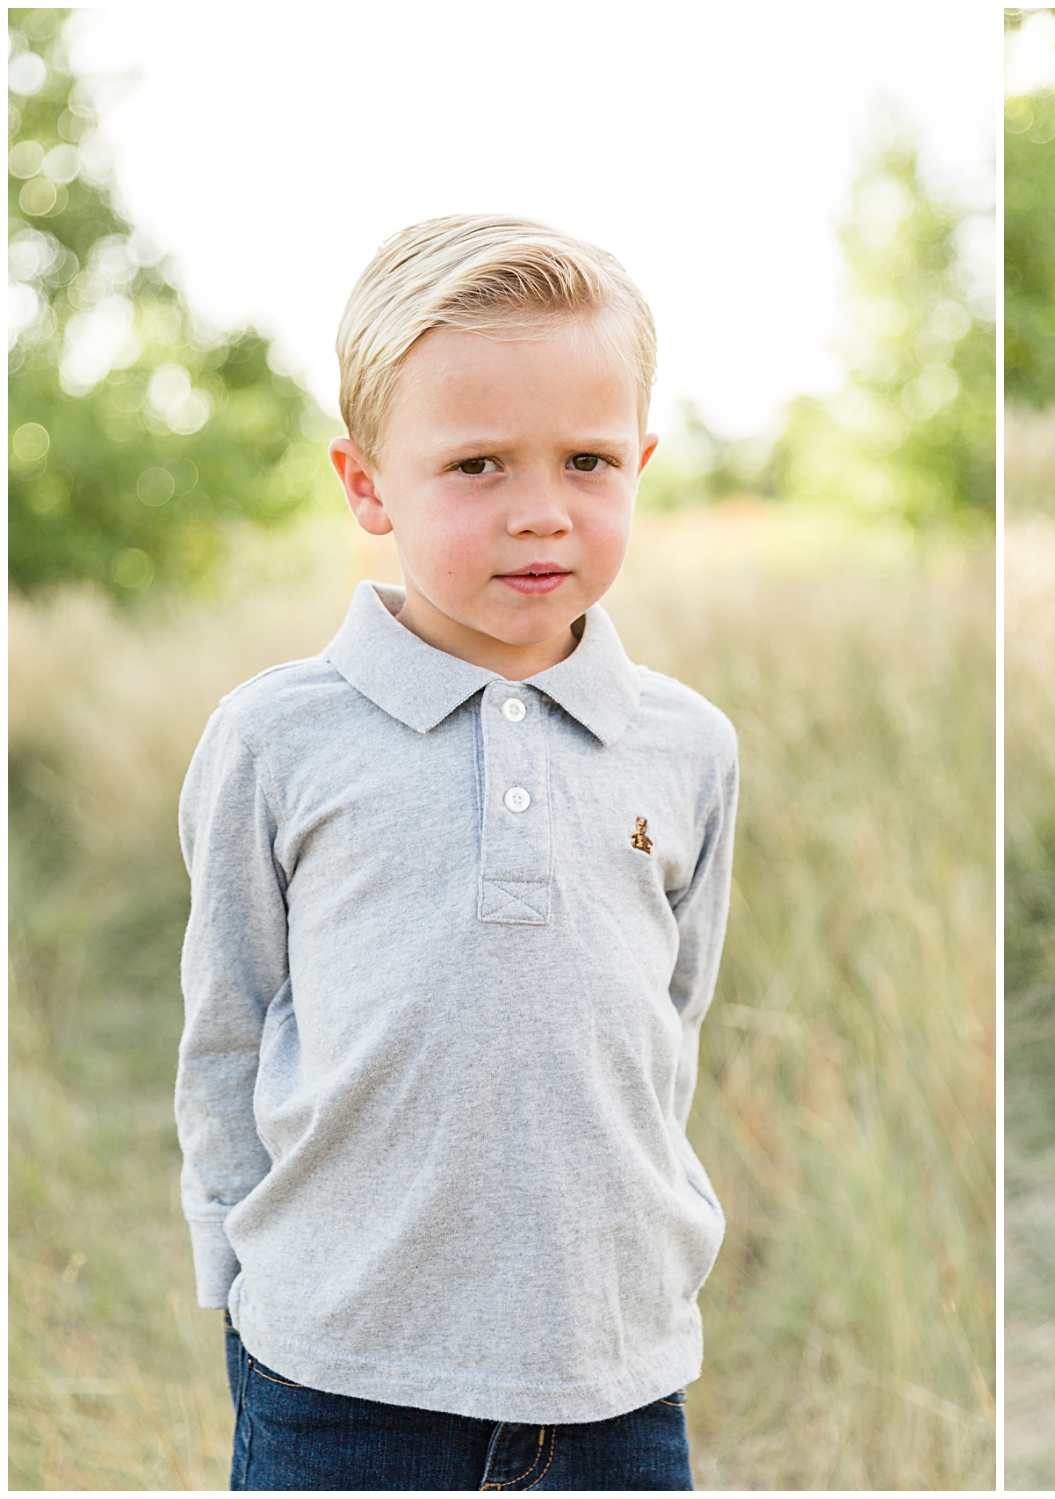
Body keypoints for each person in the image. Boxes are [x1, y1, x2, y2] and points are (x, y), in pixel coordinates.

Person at [175, 215, 736, 1491]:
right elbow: (227, 1024)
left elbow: (668, 1021)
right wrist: (241, 1274)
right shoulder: (278, 736)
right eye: (476, 464)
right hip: (341, 1373)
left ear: (639, 465)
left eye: (588, 461)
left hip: (616, 1376)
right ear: (367, 485)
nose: (540, 514)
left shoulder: (687, 747)